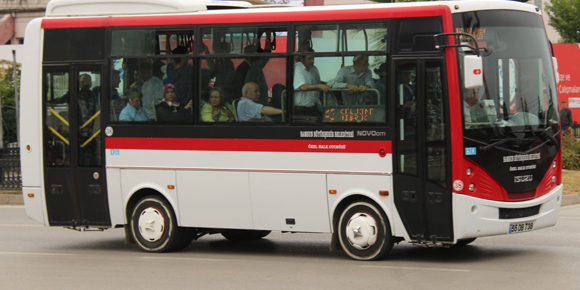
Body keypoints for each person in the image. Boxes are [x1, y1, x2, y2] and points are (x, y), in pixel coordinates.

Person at [293, 48, 331, 117]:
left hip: (314, 108)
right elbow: (303, 86)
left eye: (313, 58)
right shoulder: (297, 68)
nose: (312, 61)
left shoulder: (314, 69)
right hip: (301, 110)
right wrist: (319, 86)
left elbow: (317, 85)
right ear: (301, 58)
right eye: (309, 58)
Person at [166, 32, 193, 105]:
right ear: (183, 58)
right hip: (186, 104)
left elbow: (168, 56)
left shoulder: (170, 70)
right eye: (187, 55)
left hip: (175, 103)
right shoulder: (187, 70)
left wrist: (167, 38)